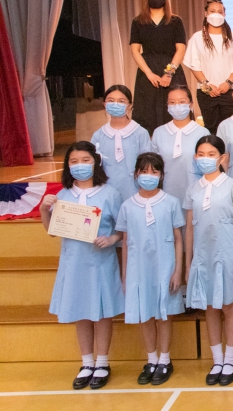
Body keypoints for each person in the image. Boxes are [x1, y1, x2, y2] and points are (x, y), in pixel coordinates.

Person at [39, 141, 124, 390]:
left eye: (85, 160)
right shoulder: (63, 195)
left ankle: (103, 362)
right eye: (74, 161)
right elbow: (52, 231)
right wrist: (44, 210)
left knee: (102, 312)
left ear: (96, 162)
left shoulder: (110, 193)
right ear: (67, 165)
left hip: (101, 262)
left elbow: (122, 228)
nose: (80, 166)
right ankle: (87, 362)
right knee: (81, 311)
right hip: (74, 262)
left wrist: (112, 239)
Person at [184, 136, 233, 386]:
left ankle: (230, 360)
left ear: (222, 158)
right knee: (209, 306)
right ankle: (217, 359)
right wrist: (189, 263)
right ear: (195, 158)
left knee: (229, 305)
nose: (205, 159)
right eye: (201, 154)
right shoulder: (193, 188)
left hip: (228, 253)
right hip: (203, 256)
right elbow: (190, 228)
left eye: (211, 154)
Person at [117, 153, 185, 386]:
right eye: (144, 171)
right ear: (136, 174)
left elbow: (178, 239)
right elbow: (126, 242)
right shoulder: (127, 206)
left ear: (161, 175)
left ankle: (165, 359)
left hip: (165, 266)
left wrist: (177, 271)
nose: (149, 176)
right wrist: (125, 275)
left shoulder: (171, 202)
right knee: (144, 314)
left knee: (164, 314)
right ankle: (151, 359)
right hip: (138, 269)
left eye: (154, 172)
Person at [182, 0, 233, 135]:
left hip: (229, 91)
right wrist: (207, 85)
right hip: (206, 92)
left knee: (232, 129)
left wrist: (228, 83)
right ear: (206, 14)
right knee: (211, 129)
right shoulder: (197, 38)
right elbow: (194, 65)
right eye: (212, 11)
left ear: (225, 14)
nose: (216, 15)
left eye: (220, 12)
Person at [129, 0, 187, 135]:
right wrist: (148, 73)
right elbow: (135, 50)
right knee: (147, 111)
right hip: (147, 70)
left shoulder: (175, 21)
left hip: (171, 68)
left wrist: (169, 73)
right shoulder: (138, 21)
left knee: (174, 109)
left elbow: (180, 49)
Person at [152, 85, 210, 209]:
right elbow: (153, 167)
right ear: (167, 105)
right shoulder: (159, 132)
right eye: (172, 102)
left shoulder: (203, 133)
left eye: (182, 102)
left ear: (191, 104)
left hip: (196, 192)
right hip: (166, 193)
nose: (177, 106)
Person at [91, 85, 152, 202]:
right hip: (106, 192)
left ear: (130, 106)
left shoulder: (140, 133)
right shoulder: (98, 135)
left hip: (136, 192)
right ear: (105, 104)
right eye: (111, 100)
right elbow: (94, 166)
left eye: (121, 101)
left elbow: (148, 164)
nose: (115, 104)